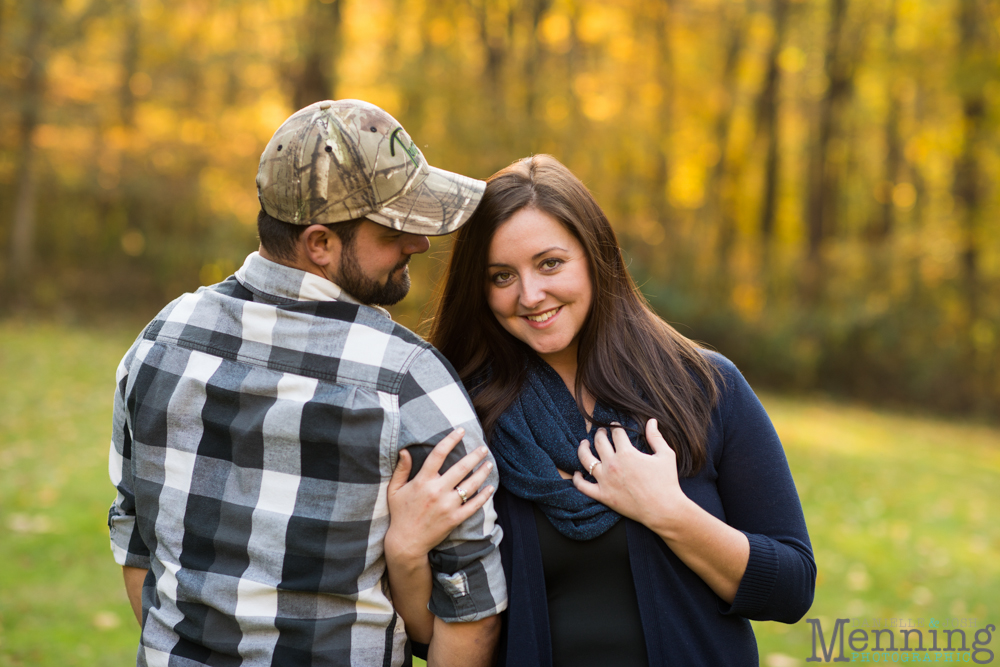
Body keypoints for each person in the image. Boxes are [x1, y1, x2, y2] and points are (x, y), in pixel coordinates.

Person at [107, 99, 507, 667]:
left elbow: (137, 545)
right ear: (320, 244)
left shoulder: (159, 342)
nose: (417, 243)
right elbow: (472, 610)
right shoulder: (409, 383)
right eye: (396, 228)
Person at [384, 154, 816, 666]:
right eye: (501, 276)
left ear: (595, 256)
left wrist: (667, 510)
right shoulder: (461, 416)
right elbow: (435, 640)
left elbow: (790, 588)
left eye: (550, 263)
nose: (530, 295)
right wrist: (405, 552)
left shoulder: (703, 387)